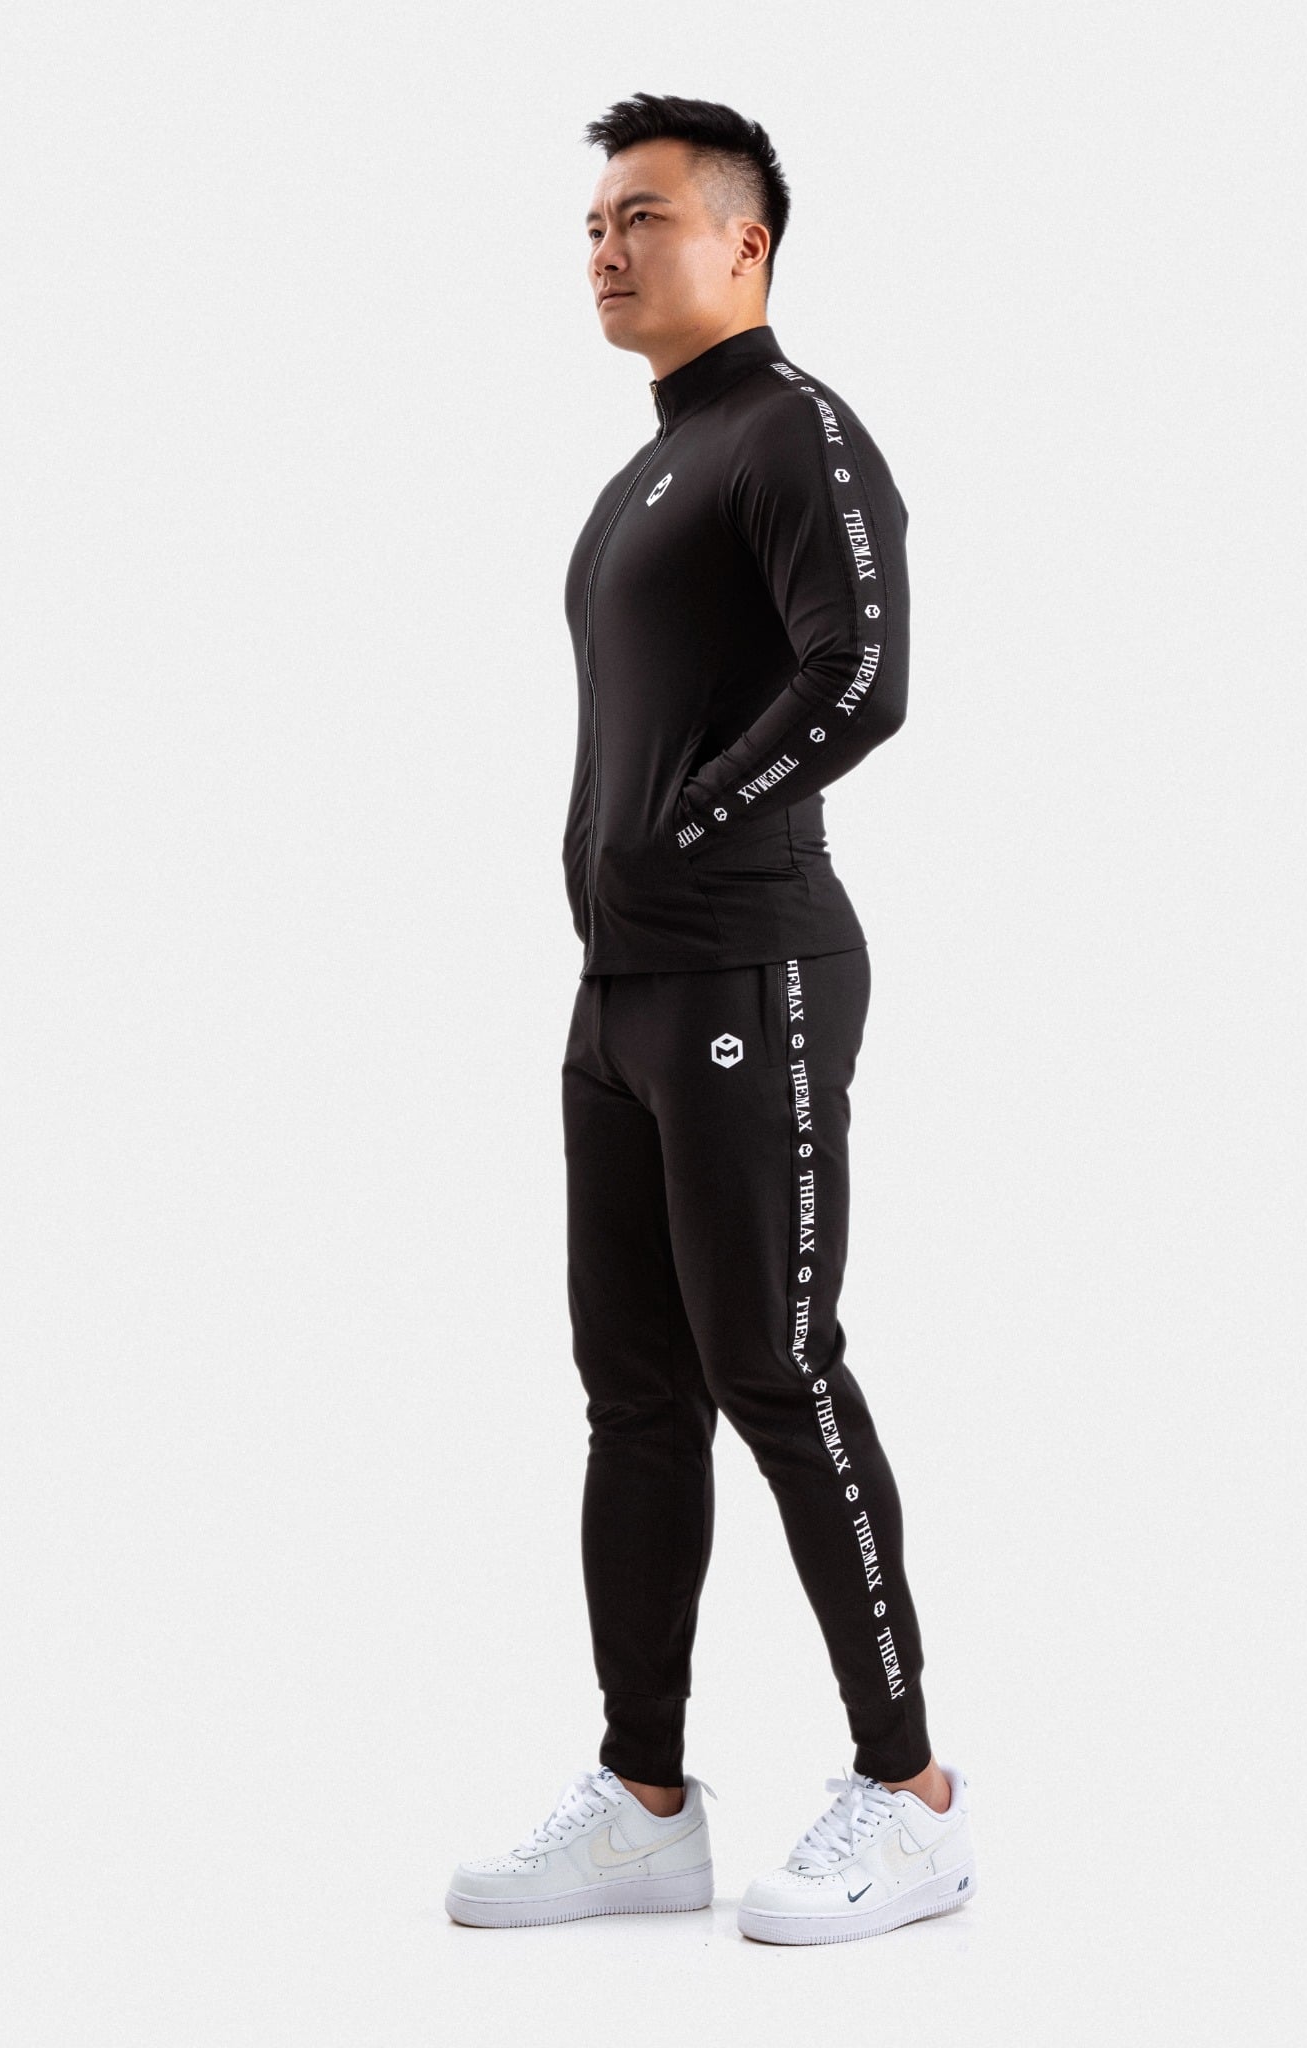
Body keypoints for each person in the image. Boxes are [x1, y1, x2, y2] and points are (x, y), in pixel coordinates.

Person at [444, 93, 975, 1946]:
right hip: (622, 995)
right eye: (595, 222)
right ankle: (645, 1797)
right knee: (636, 1396)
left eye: (645, 216)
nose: (607, 248)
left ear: (744, 243)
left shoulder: (793, 431)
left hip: (753, 972)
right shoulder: (651, 469)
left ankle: (911, 1794)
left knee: (777, 1368)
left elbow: (864, 677)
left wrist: (687, 827)